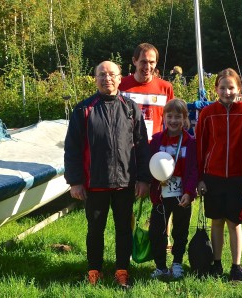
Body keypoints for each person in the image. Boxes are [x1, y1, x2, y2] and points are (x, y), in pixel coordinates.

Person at [64, 61, 150, 288]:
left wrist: (143, 179)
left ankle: (122, 270)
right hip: (94, 183)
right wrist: (75, 182)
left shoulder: (131, 109)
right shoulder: (83, 109)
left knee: (123, 229)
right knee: (95, 230)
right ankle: (94, 271)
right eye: (102, 74)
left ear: (121, 78)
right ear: (95, 79)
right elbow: (72, 148)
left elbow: (142, 146)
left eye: (112, 74)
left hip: (125, 182)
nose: (107, 78)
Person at [196, 68, 242, 282]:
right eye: (222, 87)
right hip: (213, 176)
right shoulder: (207, 113)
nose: (227, 92)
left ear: (239, 88)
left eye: (231, 87)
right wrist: (200, 178)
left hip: (238, 178)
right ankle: (217, 262)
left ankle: (236, 266)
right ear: (216, 89)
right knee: (217, 221)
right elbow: (200, 147)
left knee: (234, 223)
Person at [148, 99, 198, 279]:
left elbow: (193, 170)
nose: (174, 120)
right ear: (164, 118)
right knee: (156, 231)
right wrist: (154, 180)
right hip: (160, 196)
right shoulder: (156, 141)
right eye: (170, 116)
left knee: (180, 231)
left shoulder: (190, 142)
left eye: (178, 116)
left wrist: (189, 192)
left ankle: (177, 262)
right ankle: (160, 266)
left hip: (182, 195)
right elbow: (150, 165)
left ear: (185, 119)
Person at [119, 43, 174, 141]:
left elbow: (172, 119)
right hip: (126, 147)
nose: (147, 67)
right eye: (143, 62)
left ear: (156, 63)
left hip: (154, 147)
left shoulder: (166, 88)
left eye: (151, 62)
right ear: (134, 61)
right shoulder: (120, 86)